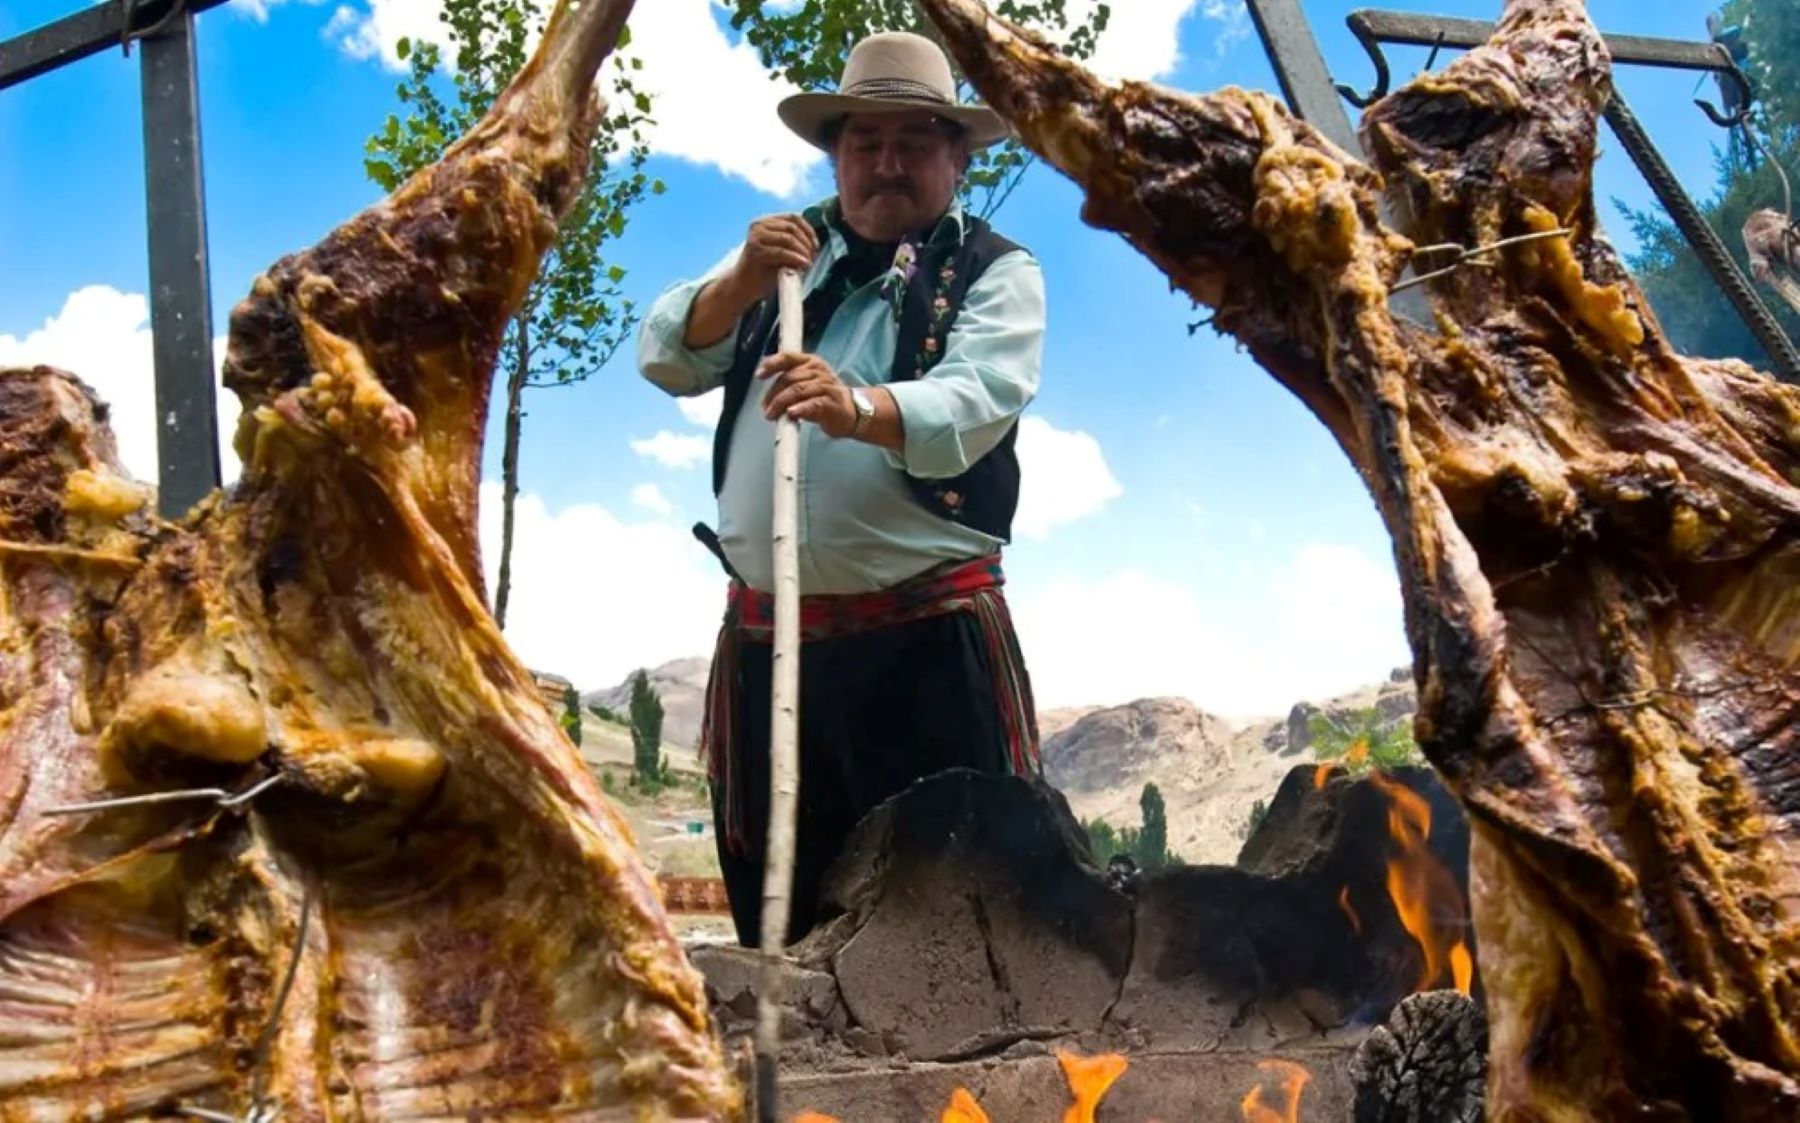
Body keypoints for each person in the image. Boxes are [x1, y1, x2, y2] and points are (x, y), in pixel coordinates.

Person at [637, 30, 1046, 948]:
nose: (887, 165)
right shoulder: (784, 255)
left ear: (956, 155)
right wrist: (741, 279)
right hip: (768, 654)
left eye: (912, 143)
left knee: (954, 932)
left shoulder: (998, 272)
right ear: (837, 155)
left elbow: (978, 396)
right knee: (781, 927)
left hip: (928, 656)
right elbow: (667, 351)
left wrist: (856, 406)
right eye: (866, 143)